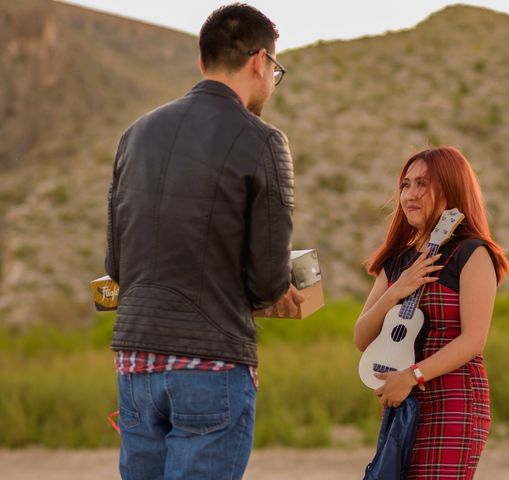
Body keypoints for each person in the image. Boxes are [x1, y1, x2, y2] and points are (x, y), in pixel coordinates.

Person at [104, 4, 303, 479]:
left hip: (135, 363)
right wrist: (279, 293)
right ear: (260, 62)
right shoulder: (263, 141)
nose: (272, 81)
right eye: (276, 70)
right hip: (211, 364)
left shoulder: (134, 135)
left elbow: (116, 265)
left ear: (202, 62)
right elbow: (267, 280)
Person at [354, 146, 509, 479]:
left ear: (451, 188)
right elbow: (361, 336)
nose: (410, 194)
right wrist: (397, 289)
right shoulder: (397, 260)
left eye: (422, 184)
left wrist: (412, 376)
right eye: (406, 184)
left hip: (454, 399)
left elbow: (473, 340)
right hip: (403, 402)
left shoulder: (472, 253)